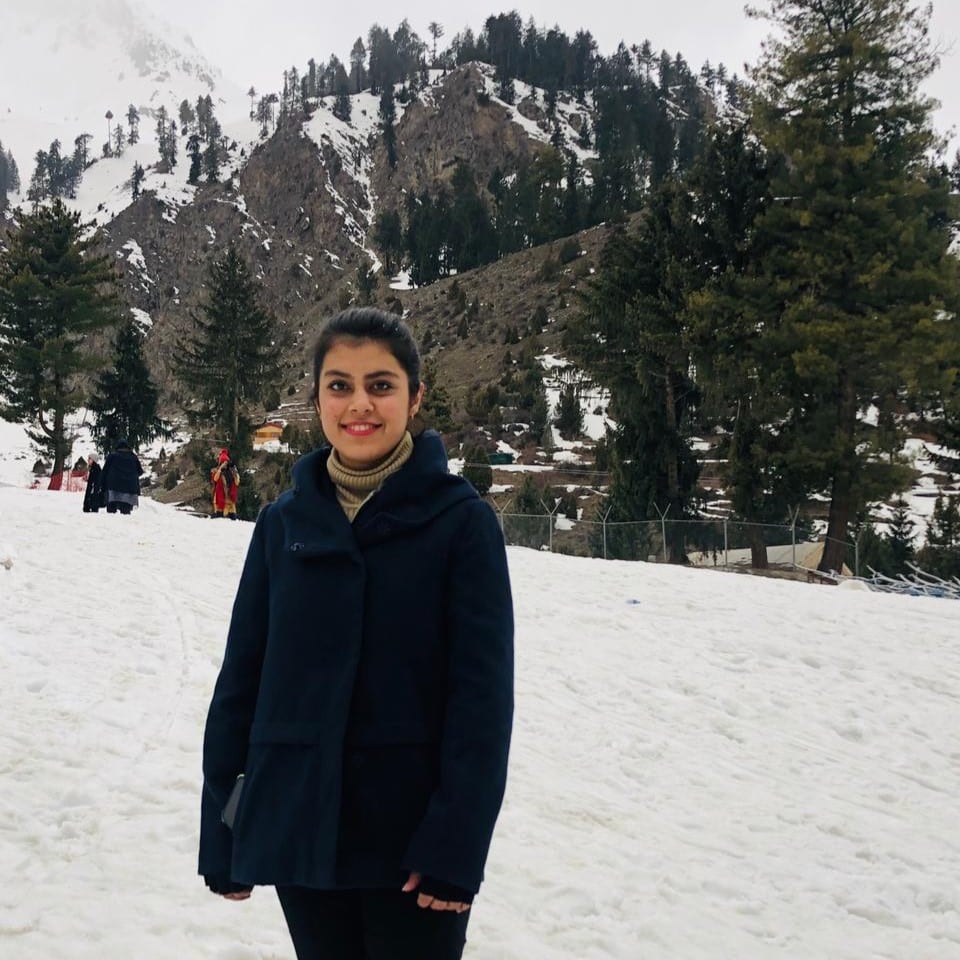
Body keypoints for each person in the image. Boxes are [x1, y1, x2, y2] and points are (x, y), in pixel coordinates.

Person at [199, 308, 514, 960]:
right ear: (317, 398)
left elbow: (481, 702)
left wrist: (456, 845)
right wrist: (225, 830)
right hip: (300, 827)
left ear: (415, 397)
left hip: (413, 843)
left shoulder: (461, 523)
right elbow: (242, 682)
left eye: (381, 385)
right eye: (339, 385)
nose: (359, 404)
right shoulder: (282, 523)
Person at [99, 439, 143, 515]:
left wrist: (102, 486)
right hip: (129, 490)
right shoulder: (133, 457)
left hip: (113, 489)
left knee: (111, 513)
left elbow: (104, 472)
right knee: (126, 513)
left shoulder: (112, 456)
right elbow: (140, 471)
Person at [210, 449, 240, 519]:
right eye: (223, 462)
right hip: (219, 497)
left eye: (226, 462)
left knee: (232, 519)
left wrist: (235, 471)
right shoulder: (217, 471)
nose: (225, 464)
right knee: (219, 518)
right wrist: (220, 469)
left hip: (229, 498)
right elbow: (215, 479)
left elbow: (237, 482)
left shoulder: (232, 472)